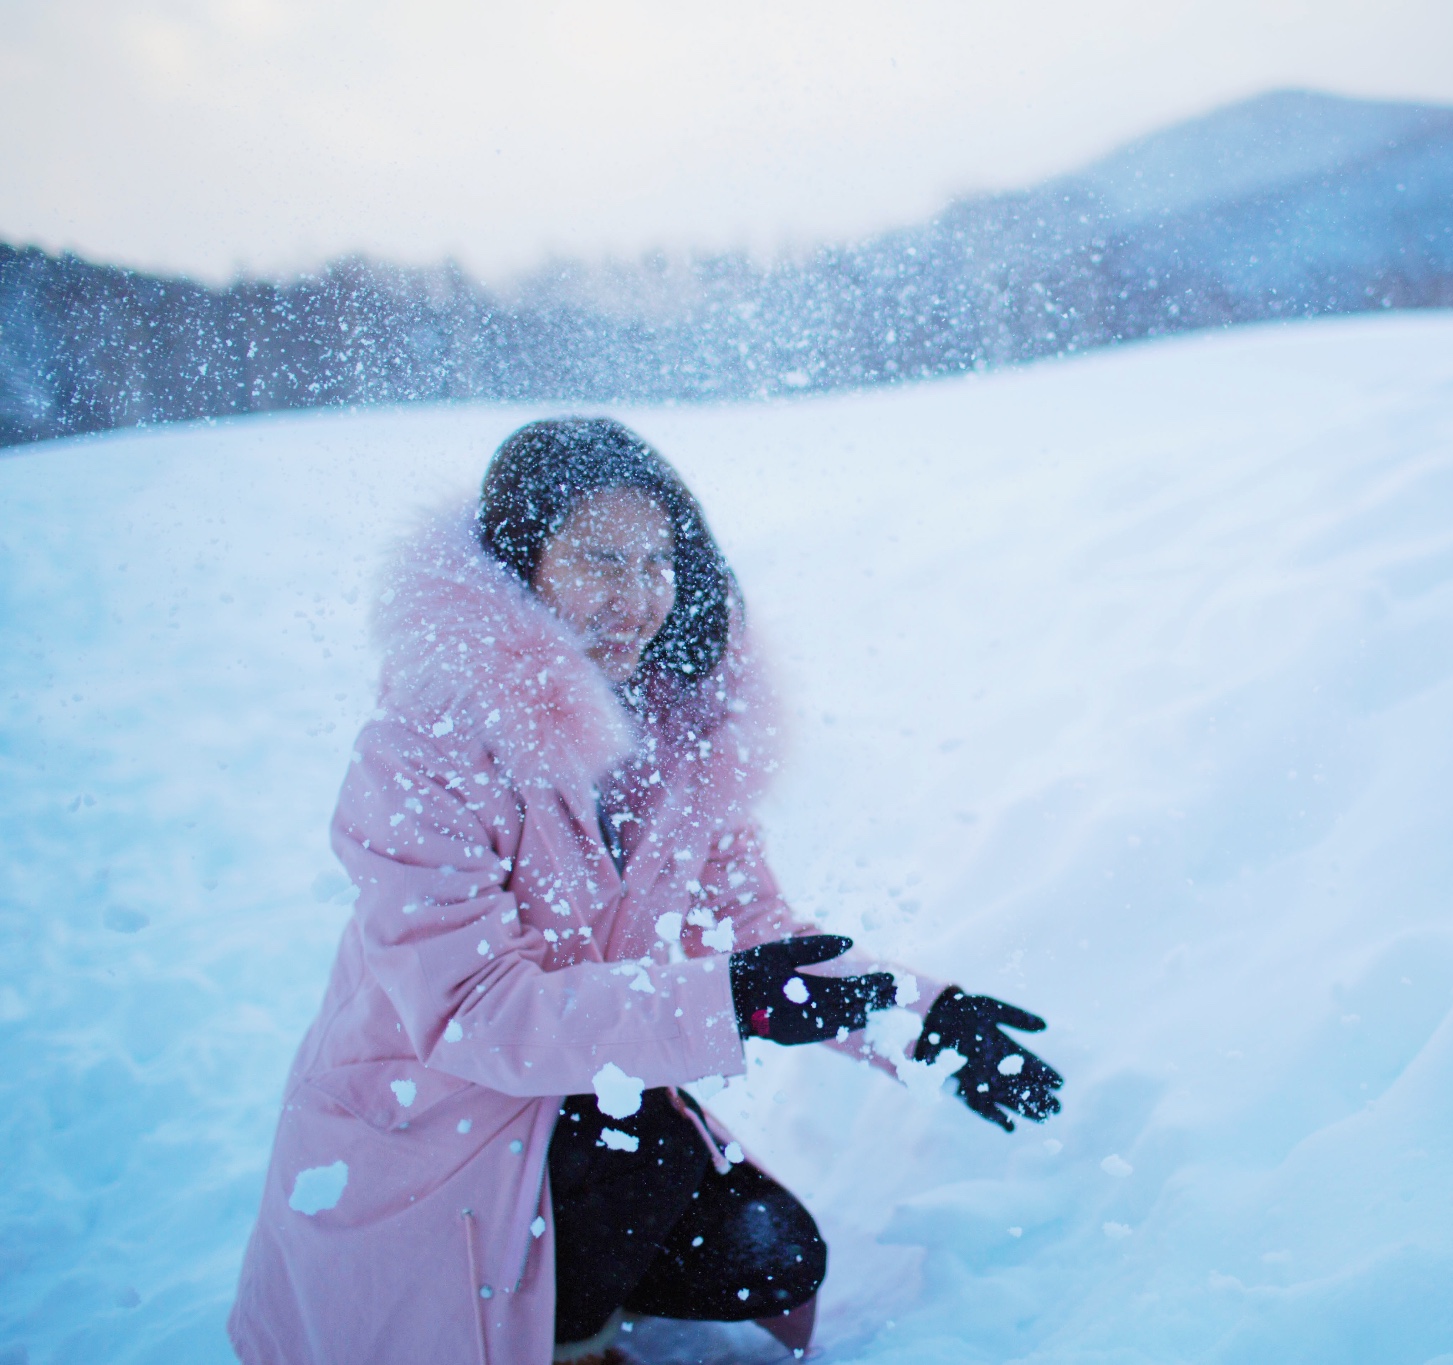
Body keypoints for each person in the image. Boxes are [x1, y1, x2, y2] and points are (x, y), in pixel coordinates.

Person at [229, 418, 1062, 1365]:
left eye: (657, 561)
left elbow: (760, 933)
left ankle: (569, 1290)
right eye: (599, 560)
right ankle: (573, 1339)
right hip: (431, 1126)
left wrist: (922, 1018)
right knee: (639, 1149)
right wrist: (732, 1000)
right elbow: (475, 1009)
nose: (637, 598)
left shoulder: (675, 736)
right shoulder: (426, 750)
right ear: (519, 564)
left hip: (580, 1108)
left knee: (771, 1256)